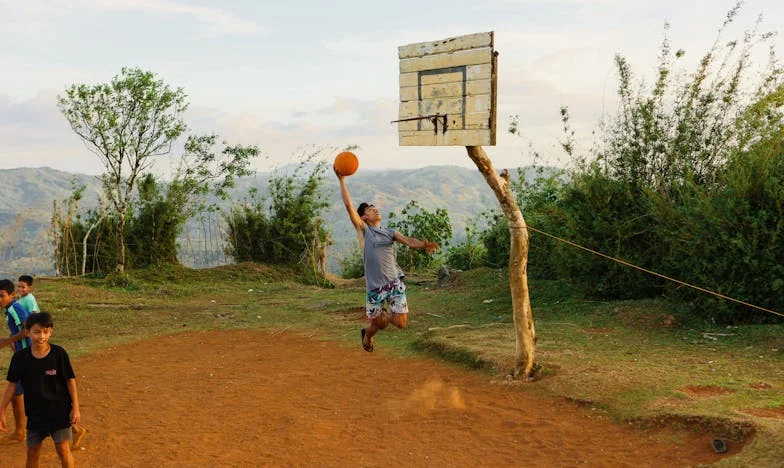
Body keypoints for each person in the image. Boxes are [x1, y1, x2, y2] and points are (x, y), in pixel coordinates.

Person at [336, 171, 439, 352]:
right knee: (380, 324)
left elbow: (408, 240)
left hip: (394, 283)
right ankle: (367, 335)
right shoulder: (364, 231)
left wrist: (424, 244)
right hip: (375, 288)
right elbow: (348, 205)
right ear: (364, 218)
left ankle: (383, 316)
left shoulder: (390, 232)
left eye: (376, 208)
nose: (375, 209)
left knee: (400, 323)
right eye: (370, 209)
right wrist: (342, 180)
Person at [0, 312, 81, 468]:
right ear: (27, 332)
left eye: (46, 331)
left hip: (59, 412)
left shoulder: (59, 354)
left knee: (63, 450)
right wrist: (2, 410)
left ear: (51, 331)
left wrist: (75, 408)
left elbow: (70, 381)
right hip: (35, 413)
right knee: (32, 451)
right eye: (37, 332)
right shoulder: (20, 358)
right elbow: (11, 385)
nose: (42, 336)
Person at [0, 278, 32, 442]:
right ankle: (20, 431)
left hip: (28, 357)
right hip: (22, 355)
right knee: (16, 393)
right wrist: (12, 342)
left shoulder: (15, 308)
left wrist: (8, 341)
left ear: (12, 295)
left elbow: (27, 330)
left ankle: (75, 428)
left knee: (42, 396)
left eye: (1, 295)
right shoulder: (8, 309)